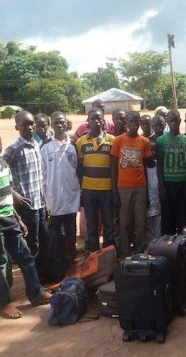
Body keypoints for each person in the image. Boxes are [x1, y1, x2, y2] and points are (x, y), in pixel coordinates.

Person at [0, 130, 51, 319]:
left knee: (26, 257)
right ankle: (4, 303)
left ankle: (35, 293)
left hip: (10, 221)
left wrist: (18, 219)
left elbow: (8, 195)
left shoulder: (4, 165)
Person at [1, 111, 47, 260]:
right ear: (17, 127)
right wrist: (14, 193)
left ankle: (44, 272)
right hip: (27, 205)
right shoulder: (14, 149)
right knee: (32, 242)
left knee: (43, 237)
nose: (30, 127)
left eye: (31, 123)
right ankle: (34, 278)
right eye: (24, 125)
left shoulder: (35, 145)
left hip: (40, 203)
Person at [41, 112, 81, 263]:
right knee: (54, 232)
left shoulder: (73, 145)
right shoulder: (45, 147)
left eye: (62, 122)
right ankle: (57, 261)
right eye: (56, 122)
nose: (59, 125)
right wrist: (45, 198)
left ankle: (71, 259)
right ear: (51, 124)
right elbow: (43, 173)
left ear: (66, 124)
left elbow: (78, 169)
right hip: (53, 198)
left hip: (71, 196)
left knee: (71, 231)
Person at [111, 111, 152, 256]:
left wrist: (146, 191)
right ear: (126, 124)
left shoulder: (144, 142)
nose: (134, 124)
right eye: (131, 122)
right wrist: (115, 191)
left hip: (140, 187)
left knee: (140, 223)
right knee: (124, 223)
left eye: (136, 121)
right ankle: (125, 254)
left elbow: (146, 167)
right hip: (123, 188)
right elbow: (113, 167)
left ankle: (139, 253)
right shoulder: (118, 141)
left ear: (139, 123)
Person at [76, 108, 115, 251]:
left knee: (109, 225)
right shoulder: (81, 142)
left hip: (107, 190)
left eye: (99, 118)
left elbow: (114, 167)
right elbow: (79, 168)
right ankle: (93, 255)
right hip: (89, 190)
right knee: (92, 225)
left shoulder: (112, 140)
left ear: (103, 121)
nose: (97, 121)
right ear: (88, 121)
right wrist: (81, 189)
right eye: (93, 118)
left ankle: (109, 255)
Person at [157, 110, 186, 235]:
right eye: (171, 121)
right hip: (168, 184)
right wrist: (161, 186)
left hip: (183, 184)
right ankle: (167, 247)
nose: (174, 124)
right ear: (167, 122)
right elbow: (160, 165)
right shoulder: (161, 141)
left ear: (180, 121)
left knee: (181, 217)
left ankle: (179, 245)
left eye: (176, 121)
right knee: (168, 217)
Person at [145, 141, 162, 241]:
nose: (153, 152)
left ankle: (157, 247)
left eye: (155, 150)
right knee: (148, 226)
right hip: (147, 199)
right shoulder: (143, 166)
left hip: (157, 199)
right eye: (151, 150)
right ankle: (148, 248)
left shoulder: (157, 165)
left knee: (157, 223)